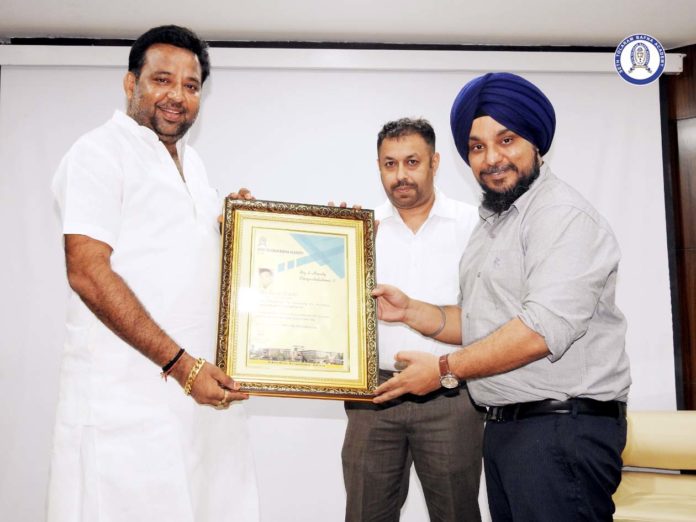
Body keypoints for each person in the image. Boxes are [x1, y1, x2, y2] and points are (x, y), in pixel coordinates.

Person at [372, 73, 631, 521]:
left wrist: (444, 370)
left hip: (560, 429)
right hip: (510, 429)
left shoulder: (561, 216)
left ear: (536, 142)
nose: (491, 158)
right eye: (477, 147)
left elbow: (540, 331)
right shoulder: (494, 223)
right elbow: (480, 325)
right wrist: (412, 311)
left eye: (506, 140)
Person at [48, 25, 259, 521]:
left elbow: (180, 261)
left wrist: (241, 230)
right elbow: (87, 272)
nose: (177, 96)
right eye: (163, 79)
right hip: (127, 406)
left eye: (191, 85)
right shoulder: (98, 153)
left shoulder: (194, 166)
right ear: (131, 83)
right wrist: (183, 368)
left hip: (198, 406)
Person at [342, 118, 483, 522]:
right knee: (365, 514)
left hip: (451, 393)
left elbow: (488, 316)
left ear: (434, 163)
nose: (400, 175)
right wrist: (332, 242)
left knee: (456, 514)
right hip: (375, 395)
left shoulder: (474, 225)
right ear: (378, 167)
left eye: (412, 162)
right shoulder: (359, 229)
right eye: (390, 164)